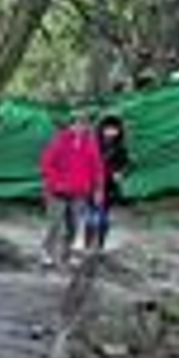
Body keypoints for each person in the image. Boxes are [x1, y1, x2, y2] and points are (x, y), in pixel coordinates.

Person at [38, 110, 106, 267]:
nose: (79, 127)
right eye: (76, 123)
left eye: (83, 124)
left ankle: (67, 254)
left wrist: (98, 190)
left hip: (80, 192)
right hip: (57, 192)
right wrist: (56, 182)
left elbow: (97, 169)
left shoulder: (90, 144)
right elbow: (46, 164)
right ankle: (47, 252)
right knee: (55, 223)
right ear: (70, 125)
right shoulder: (60, 141)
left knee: (74, 224)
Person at [86, 113, 130, 250]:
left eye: (114, 129)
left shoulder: (121, 148)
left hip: (109, 187)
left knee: (104, 216)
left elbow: (127, 165)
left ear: (119, 131)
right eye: (108, 128)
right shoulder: (93, 145)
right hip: (92, 185)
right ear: (101, 129)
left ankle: (100, 245)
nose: (111, 132)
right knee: (91, 215)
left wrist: (121, 173)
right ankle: (87, 244)